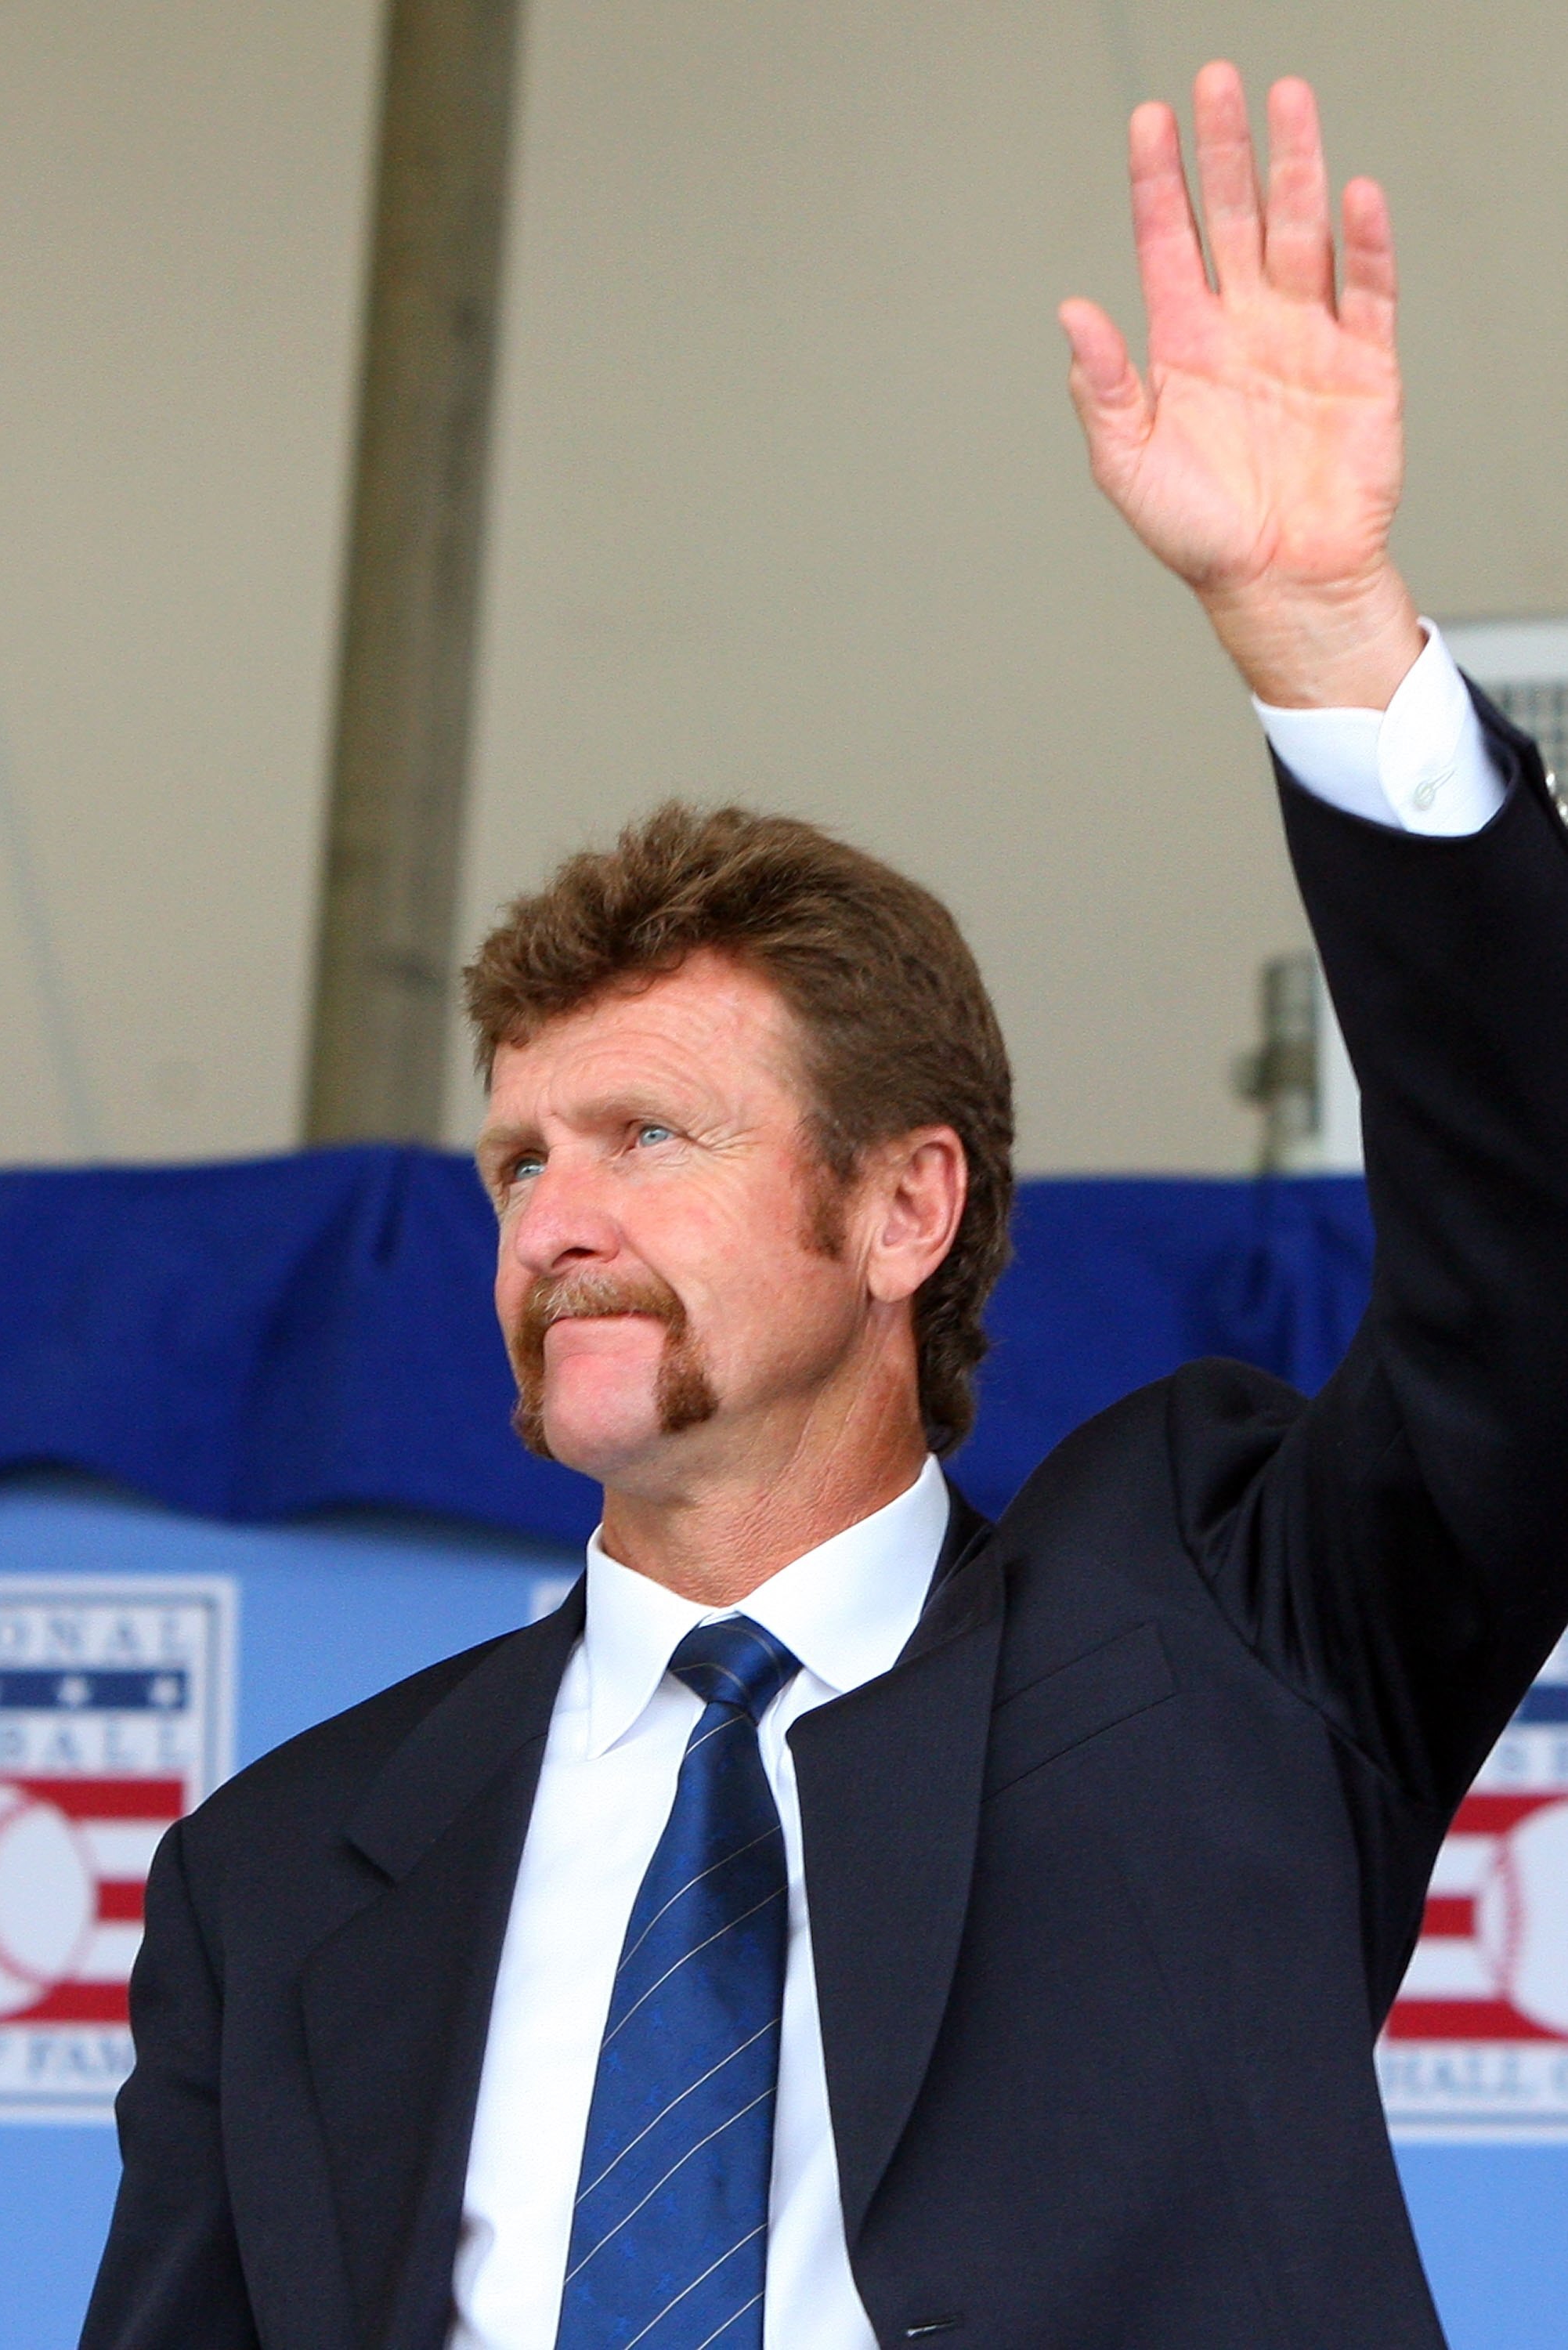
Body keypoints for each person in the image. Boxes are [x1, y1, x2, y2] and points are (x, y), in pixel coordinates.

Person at [81, 64, 1568, 2350]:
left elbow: (1534, 1271)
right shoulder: (275, 1875)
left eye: (650, 1138)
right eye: (519, 1158)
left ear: (904, 1209)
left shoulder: (1224, 1641)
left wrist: (1322, 637)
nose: (556, 1217)